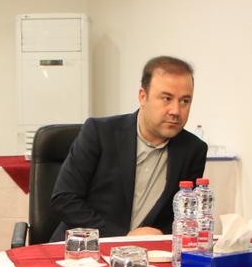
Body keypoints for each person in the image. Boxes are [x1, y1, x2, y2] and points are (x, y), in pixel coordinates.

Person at [51, 56, 207, 240]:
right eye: (166, 98)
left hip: (148, 252)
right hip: (85, 247)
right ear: (143, 97)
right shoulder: (100, 133)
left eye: (185, 101)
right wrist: (124, 236)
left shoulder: (193, 150)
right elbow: (64, 200)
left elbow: (181, 216)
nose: (176, 111)